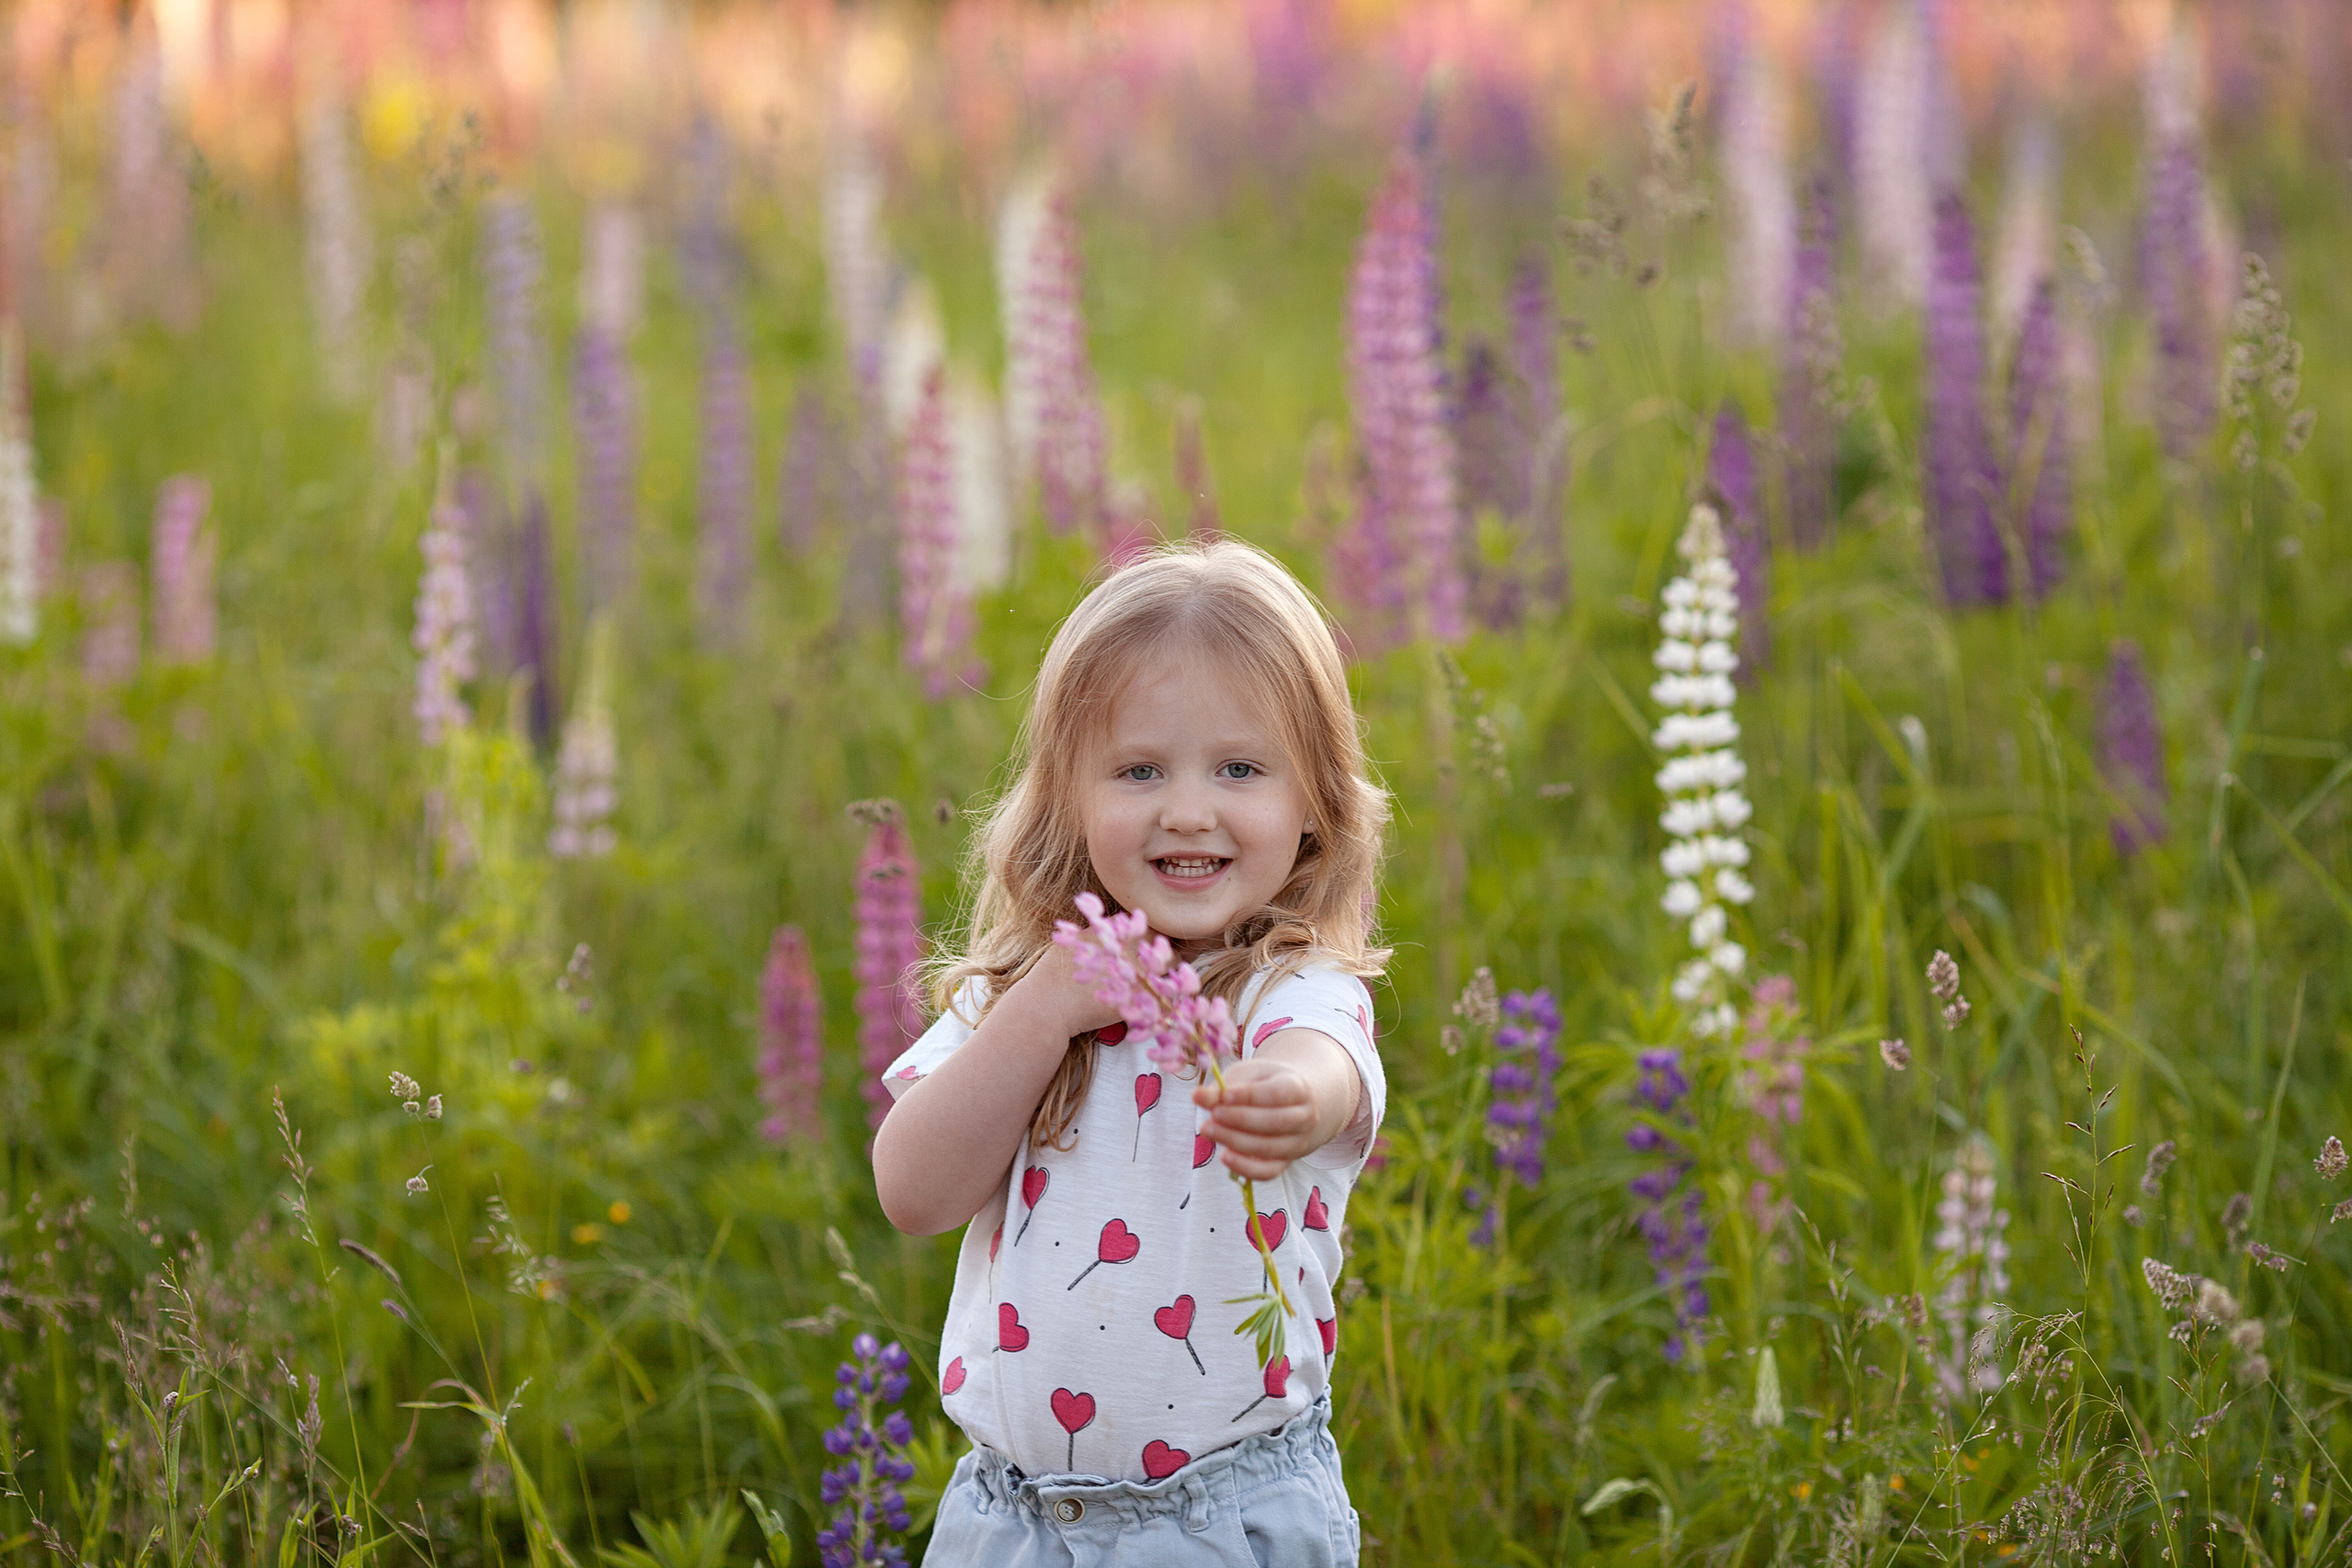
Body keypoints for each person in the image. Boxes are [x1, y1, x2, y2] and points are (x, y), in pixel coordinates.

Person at [872, 539, 1389, 1566]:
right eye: (1139, 769)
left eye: (1239, 769)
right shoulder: (1018, 995)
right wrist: (1040, 1012)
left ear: (1315, 807)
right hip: (1010, 1522)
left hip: (1218, 1521)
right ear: (1069, 797)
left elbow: (1326, 1066)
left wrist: (1285, 1096)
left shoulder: (1287, 992)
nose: (1187, 809)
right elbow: (913, 1192)